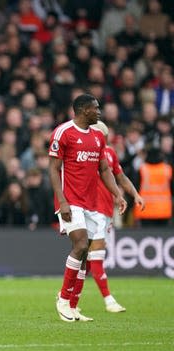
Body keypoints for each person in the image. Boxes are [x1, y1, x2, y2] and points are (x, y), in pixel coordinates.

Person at [48, 94, 127, 323]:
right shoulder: (63, 133)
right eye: (96, 108)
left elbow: (104, 170)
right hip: (70, 200)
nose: (99, 112)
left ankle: (73, 306)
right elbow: (53, 169)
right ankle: (63, 299)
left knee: (84, 255)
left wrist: (117, 193)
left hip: (91, 203)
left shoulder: (97, 138)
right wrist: (62, 201)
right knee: (80, 244)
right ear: (83, 110)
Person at [74, 121, 145, 313]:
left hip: (105, 210)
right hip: (90, 208)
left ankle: (70, 300)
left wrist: (135, 194)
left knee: (86, 259)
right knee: (95, 255)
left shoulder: (110, 154)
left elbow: (120, 177)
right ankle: (108, 300)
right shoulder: (85, 153)